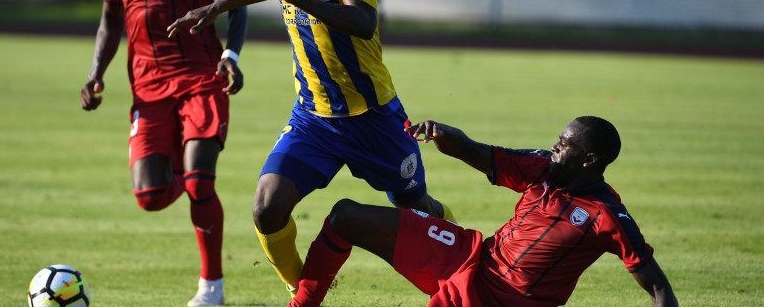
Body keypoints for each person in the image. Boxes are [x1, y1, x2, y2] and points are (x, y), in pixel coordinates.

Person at [166, 0, 456, 299]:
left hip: (373, 117)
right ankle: (301, 287)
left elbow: (362, 21)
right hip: (314, 119)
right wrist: (215, 8)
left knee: (415, 209)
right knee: (266, 208)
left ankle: (454, 242)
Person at [79, 0, 248, 305]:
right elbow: (110, 21)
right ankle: (183, 173)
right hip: (148, 88)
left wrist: (231, 54)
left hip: (202, 79)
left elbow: (240, 1)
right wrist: (95, 74)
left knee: (200, 184)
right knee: (150, 196)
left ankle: (211, 288)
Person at [286, 116, 679, 307]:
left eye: (566, 145)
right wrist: (445, 135)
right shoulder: (542, 166)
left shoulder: (606, 216)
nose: (555, 148)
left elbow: (659, 287)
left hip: (501, 300)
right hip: (472, 254)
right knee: (345, 216)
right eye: (558, 140)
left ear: (591, 160)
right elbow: (478, 152)